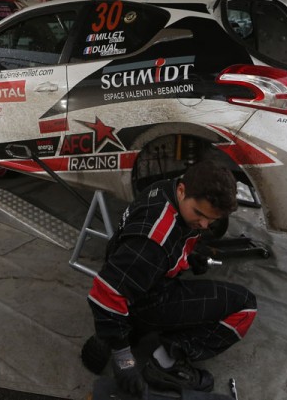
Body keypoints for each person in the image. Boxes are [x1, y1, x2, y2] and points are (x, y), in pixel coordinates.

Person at [82, 160, 257, 395]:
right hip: (148, 297)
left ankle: (124, 329)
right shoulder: (153, 242)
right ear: (183, 191)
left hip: (139, 282)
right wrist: (124, 360)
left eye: (211, 220)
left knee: (131, 289)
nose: (205, 225)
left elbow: (167, 244)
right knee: (245, 306)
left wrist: (187, 256)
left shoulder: (166, 189)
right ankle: (165, 361)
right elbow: (105, 293)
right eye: (199, 214)